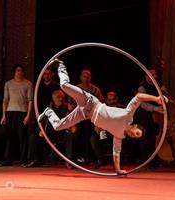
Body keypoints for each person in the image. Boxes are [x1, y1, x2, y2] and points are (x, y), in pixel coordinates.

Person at [38, 59, 166, 174]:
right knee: (64, 86)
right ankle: (61, 65)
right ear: (135, 126)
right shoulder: (128, 115)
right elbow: (138, 97)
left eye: (136, 137)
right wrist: (157, 98)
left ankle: (49, 112)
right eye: (137, 133)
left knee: (58, 126)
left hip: (85, 114)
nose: (134, 136)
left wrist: (118, 170)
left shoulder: (119, 135)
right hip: (89, 102)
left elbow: (116, 153)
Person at [0, 64, 34, 166]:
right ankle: (7, 160)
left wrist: (28, 116)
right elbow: (5, 100)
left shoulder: (28, 84)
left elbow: (30, 101)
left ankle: (24, 160)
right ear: (14, 72)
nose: (20, 72)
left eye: (21, 70)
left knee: (23, 138)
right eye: (18, 70)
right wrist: (4, 115)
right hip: (10, 112)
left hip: (22, 113)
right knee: (10, 137)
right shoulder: (8, 84)